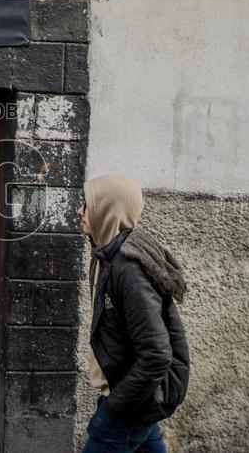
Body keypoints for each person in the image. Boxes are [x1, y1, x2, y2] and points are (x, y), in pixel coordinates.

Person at [78, 175, 190, 453]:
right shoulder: (112, 257)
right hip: (135, 399)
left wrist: (115, 408)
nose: (80, 211)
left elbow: (156, 354)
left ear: (107, 210)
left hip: (128, 405)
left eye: (87, 204)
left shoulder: (129, 269)